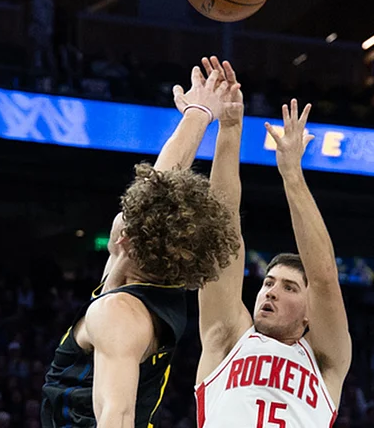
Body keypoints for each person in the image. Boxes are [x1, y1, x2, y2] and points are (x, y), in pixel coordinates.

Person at [41, 66, 242, 428]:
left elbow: (117, 417)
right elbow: (161, 183)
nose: (123, 216)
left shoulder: (120, 314)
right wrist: (204, 115)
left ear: (124, 241)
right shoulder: (155, 282)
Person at [194, 63, 352, 428]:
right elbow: (223, 227)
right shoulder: (228, 339)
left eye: (289, 287)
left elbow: (325, 277)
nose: (271, 292)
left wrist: (292, 174)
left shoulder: (327, 361)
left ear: (310, 313)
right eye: (268, 282)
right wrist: (230, 128)